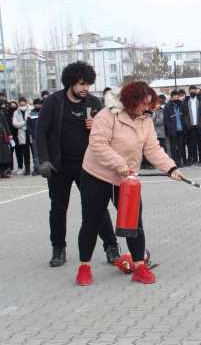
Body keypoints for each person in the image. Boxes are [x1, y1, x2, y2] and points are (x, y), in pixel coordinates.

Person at [76, 81, 185, 286]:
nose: (147, 107)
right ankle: (84, 267)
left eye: (149, 104)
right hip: (96, 175)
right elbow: (97, 144)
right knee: (91, 221)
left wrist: (170, 168)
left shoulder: (146, 121)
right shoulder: (108, 115)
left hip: (126, 179)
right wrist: (120, 164)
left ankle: (139, 266)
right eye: (143, 103)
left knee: (134, 221)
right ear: (130, 100)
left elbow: (152, 149)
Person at [37, 61, 120, 267]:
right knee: (58, 208)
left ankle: (111, 247)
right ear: (71, 82)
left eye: (88, 84)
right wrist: (44, 160)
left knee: (97, 208)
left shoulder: (94, 102)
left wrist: (96, 127)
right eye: (82, 84)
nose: (85, 88)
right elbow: (40, 133)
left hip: (90, 167)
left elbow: (112, 132)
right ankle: (59, 249)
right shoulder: (54, 102)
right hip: (59, 166)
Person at [163, 90, 189, 167]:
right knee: (173, 147)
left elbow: (186, 115)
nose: (177, 98)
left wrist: (185, 126)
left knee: (181, 146)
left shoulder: (181, 104)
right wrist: (169, 130)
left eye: (177, 97)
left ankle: (180, 162)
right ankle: (174, 162)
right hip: (173, 130)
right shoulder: (168, 106)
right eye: (175, 97)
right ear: (171, 97)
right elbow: (166, 120)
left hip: (181, 129)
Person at [184, 85, 201, 166]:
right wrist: (187, 124)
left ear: (196, 91)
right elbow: (185, 115)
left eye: (194, 90)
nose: (193, 92)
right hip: (191, 126)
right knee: (192, 144)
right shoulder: (186, 101)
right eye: (191, 90)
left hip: (199, 125)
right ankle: (194, 160)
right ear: (189, 91)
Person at [12, 97, 32, 175]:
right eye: (21, 102)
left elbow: (32, 121)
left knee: (34, 152)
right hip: (22, 135)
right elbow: (15, 123)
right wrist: (24, 122)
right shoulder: (16, 112)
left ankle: (37, 168)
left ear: (26, 102)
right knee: (25, 153)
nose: (22, 103)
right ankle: (27, 169)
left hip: (30, 133)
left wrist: (26, 123)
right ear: (19, 103)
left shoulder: (30, 110)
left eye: (23, 102)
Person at [27, 98, 42, 175]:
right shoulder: (31, 114)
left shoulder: (45, 112)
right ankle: (37, 169)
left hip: (44, 137)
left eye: (39, 104)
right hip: (35, 137)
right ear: (34, 105)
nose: (38, 105)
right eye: (36, 104)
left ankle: (44, 169)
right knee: (35, 154)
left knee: (44, 152)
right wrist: (32, 134)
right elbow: (28, 126)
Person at [0, 109, 12, 178]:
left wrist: (9, 133)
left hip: (2, 137)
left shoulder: (1, 114)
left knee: (4, 155)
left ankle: (2, 172)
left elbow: (5, 124)